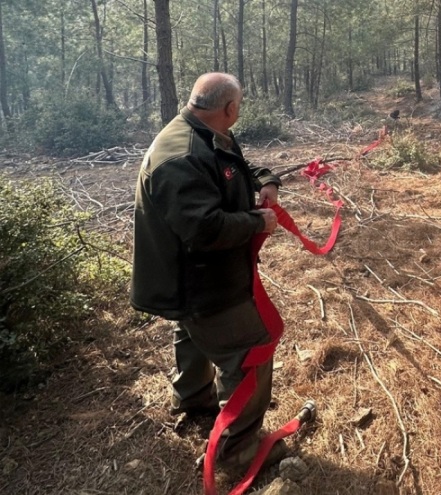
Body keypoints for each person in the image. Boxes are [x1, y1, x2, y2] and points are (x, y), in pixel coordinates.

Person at [130, 72, 287, 474]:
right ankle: (238, 451)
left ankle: (192, 396)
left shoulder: (202, 129)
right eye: (240, 105)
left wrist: (265, 180)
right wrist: (258, 223)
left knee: (193, 331)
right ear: (230, 108)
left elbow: (232, 164)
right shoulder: (181, 156)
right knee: (251, 351)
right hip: (200, 280)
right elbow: (204, 230)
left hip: (190, 279)